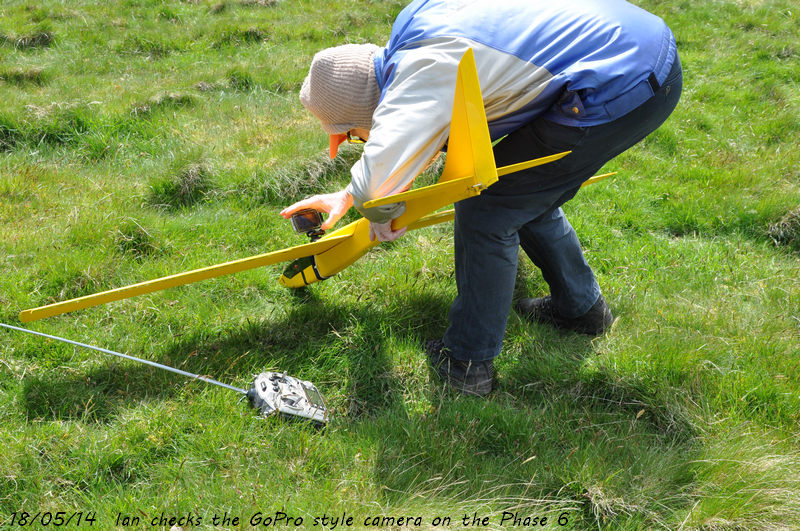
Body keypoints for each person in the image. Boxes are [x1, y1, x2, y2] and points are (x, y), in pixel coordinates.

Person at [280, 0, 682, 396]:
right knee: (523, 189)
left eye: (350, 134)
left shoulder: (417, 82)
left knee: (488, 207)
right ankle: (582, 310)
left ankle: (467, 364)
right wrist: (347, 196)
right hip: (636, 40)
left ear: (365, 110)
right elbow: (402, 146)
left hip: (621, 78)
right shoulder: (415, 27)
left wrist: (379, 215)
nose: (356, 142)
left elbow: (376, 185)